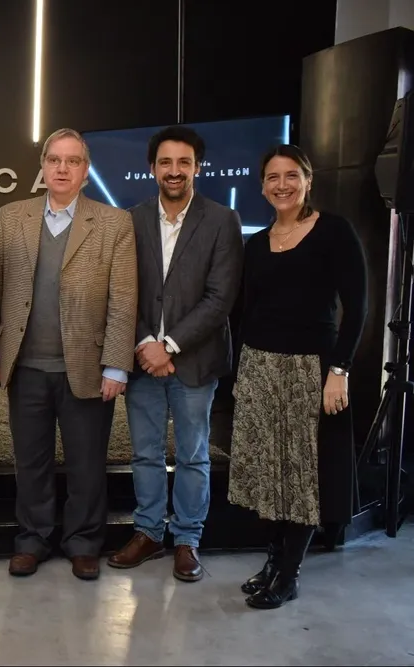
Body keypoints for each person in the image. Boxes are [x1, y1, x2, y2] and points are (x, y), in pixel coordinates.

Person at [0, 128, 137, 581]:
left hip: (87, 367)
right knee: (29, 459)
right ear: (42, 166)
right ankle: (32, 539)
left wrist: (116, 363)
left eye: (73, 161)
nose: (62, 168)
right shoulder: (11, 216)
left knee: (87, 462)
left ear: (86, 171)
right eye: (54, 159)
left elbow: (123, 298)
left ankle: (83, 542)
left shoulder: (113, 223)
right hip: (26, 366)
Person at [228, 144, 368, 609]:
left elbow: (357, 310)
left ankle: (289, 573)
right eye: (272, 177)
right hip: (259, 367)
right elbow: (247, 312)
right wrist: (240, 372)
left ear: (308, 180)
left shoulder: (334, 232)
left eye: (292, 175)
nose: (282, 185)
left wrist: (339, 371)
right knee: (268, 474)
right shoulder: (256, 242)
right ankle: (272, 560)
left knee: (303, 476)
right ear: (263, 185)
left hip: (312, 370)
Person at [108, 126, 244, 581]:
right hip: (143, 359)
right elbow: (124, 290)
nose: (174, 171)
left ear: (197, 167)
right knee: (145, 454)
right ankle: (148, 532)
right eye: (165, 162)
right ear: (152, 168)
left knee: (193, 455)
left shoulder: (222, 220)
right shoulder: (131, 219)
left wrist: (169, 345)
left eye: (183, 163)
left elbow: (220, 298)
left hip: (194, 359)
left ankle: (187, 539)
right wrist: (146, 342)